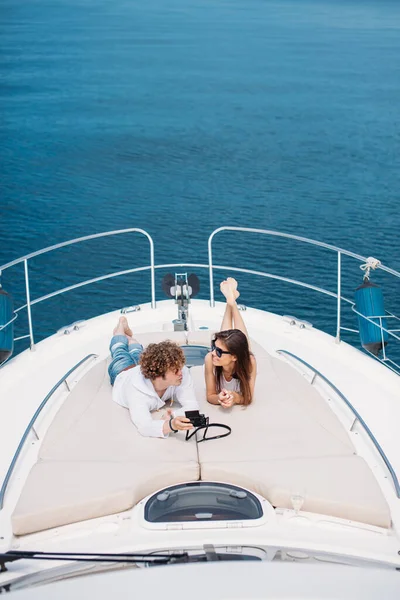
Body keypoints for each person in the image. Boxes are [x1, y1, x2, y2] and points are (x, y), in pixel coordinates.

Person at [109, 316, 199, 438]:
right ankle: (121, 326)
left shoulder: (181, 372)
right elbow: (145, 426)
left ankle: (130, 338)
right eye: (175, 371)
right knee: (119, 350)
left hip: (142, 369)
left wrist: (173, 416)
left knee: (136, 352)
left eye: (180, 367)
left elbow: (192, 405)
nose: (181, 373)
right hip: (123, 372)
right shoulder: (136, 391)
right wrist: (171, 426)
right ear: (158, 374)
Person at [205, 278, 257, 408]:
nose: (212, 353)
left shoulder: (249, 363)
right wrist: (219, 399)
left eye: (218, 352)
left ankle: (231, 302)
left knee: (241, 343)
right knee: (227, 338)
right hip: (236, 354)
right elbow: (210, 395)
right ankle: (231, 302)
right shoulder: (210, 359)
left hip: (242, 357)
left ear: (234, 357)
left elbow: (248, 397)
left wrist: (234, 398)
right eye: (213, 347)